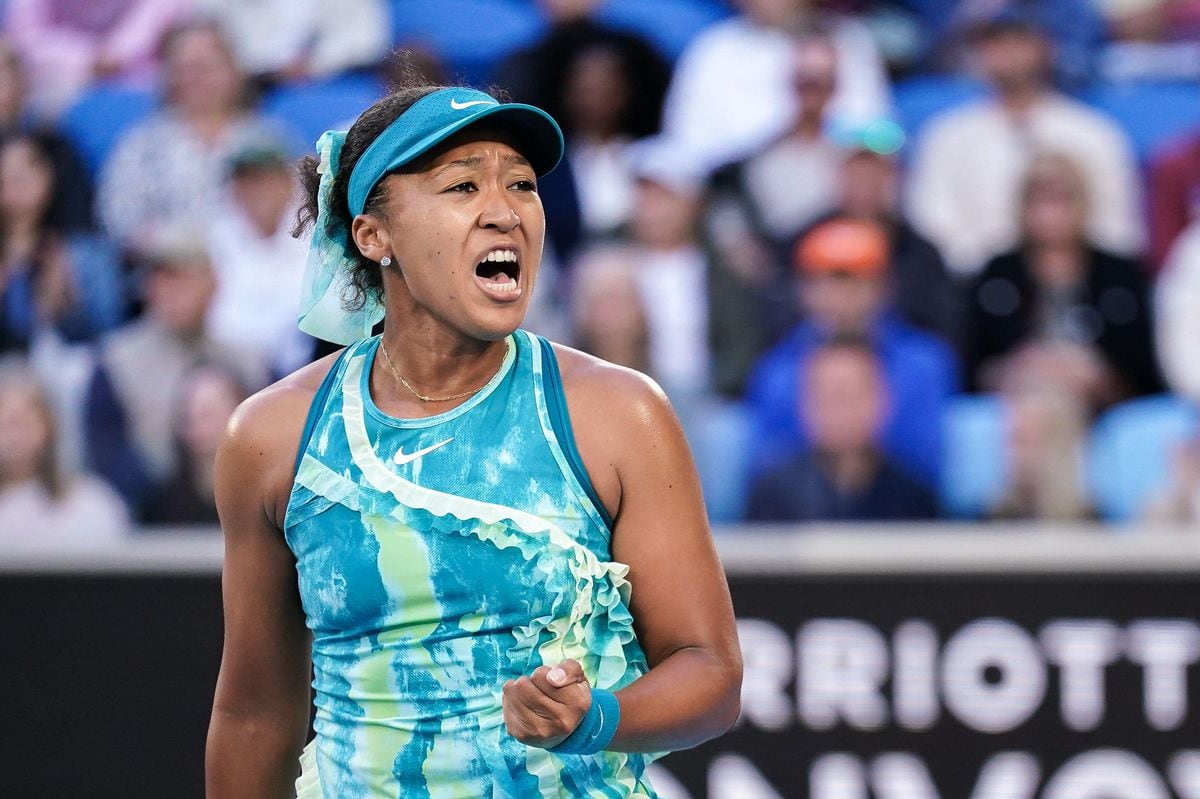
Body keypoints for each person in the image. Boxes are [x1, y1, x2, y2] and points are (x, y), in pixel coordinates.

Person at [205, 82, 742, 797]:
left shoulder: (619, 413)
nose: (505, 211)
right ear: (374, 235)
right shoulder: (270, 437)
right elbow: (254, 716)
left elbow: (710, 669)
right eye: (462, 186)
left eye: (521, 184)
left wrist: (593, 717)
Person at [906, 16, 1143, 276]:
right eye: (995, 43)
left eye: (1019, 40)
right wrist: (997, 273)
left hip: (1079, 286)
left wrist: (1062, 271)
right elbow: (932, 227)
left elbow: (1118, 230)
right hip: (970, 288)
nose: (1009, 53)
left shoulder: (1094, 134)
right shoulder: (947, 136)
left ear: (1047, 47)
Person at [745, 216, 959, 487]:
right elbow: (766, 468)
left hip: (900, 513)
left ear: (884, 288)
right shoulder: (777, 372)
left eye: (856, 283)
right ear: (805, 292)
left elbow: (927, 462)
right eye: (829, 283)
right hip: (802, 515)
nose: (842, 299)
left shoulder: (925, 365)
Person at [84, 226, 266, 517]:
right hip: (148, 520)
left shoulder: (248, 359)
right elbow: (106, 455)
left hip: (241, 512)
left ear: (214, 282)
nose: (169, 289)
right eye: (158, 278)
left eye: (182, 277)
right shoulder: (115, 361)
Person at [965, 152, 1163, 408]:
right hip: (1017, 402)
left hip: (1101, 407)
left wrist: (1097, 374)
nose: (1049, 210)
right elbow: (973, 361)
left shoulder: (1119, 273)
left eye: (1059, 197)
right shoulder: (998, 271)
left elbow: (1143, 367)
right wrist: (1016, 367)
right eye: (1038, 197)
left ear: (1083, 201)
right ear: (1021, 204)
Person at [95, 17, 291, 248]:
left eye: (206, 68)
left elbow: (295, 212)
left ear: (234, 71)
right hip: (172, 267)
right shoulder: (142, 144)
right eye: (183, 69)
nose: (195, 78)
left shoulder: (267, 137)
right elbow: (119, 219)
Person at [746, 336, 937, 522]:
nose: (840, 410)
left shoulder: (914, 497)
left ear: (883, 400)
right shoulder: (772, 495)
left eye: (849, 395)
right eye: (827, 396)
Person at [0, 130, 126, 355]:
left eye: (27, 168)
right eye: (4, 173)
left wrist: (66, 305)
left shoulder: (85, 251)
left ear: (51, 171)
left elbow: (112, 329)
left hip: (67, 366)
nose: (16, 181)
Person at [0, 361, 128, 548]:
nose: (13, 435)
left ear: (50, 427)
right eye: (4, 423)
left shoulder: (91, 503)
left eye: (22, 423)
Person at [143, 362, 249, 526]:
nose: (198, 425)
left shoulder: (268, 495)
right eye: (189, 415)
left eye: (209, 413)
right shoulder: (162, 503)